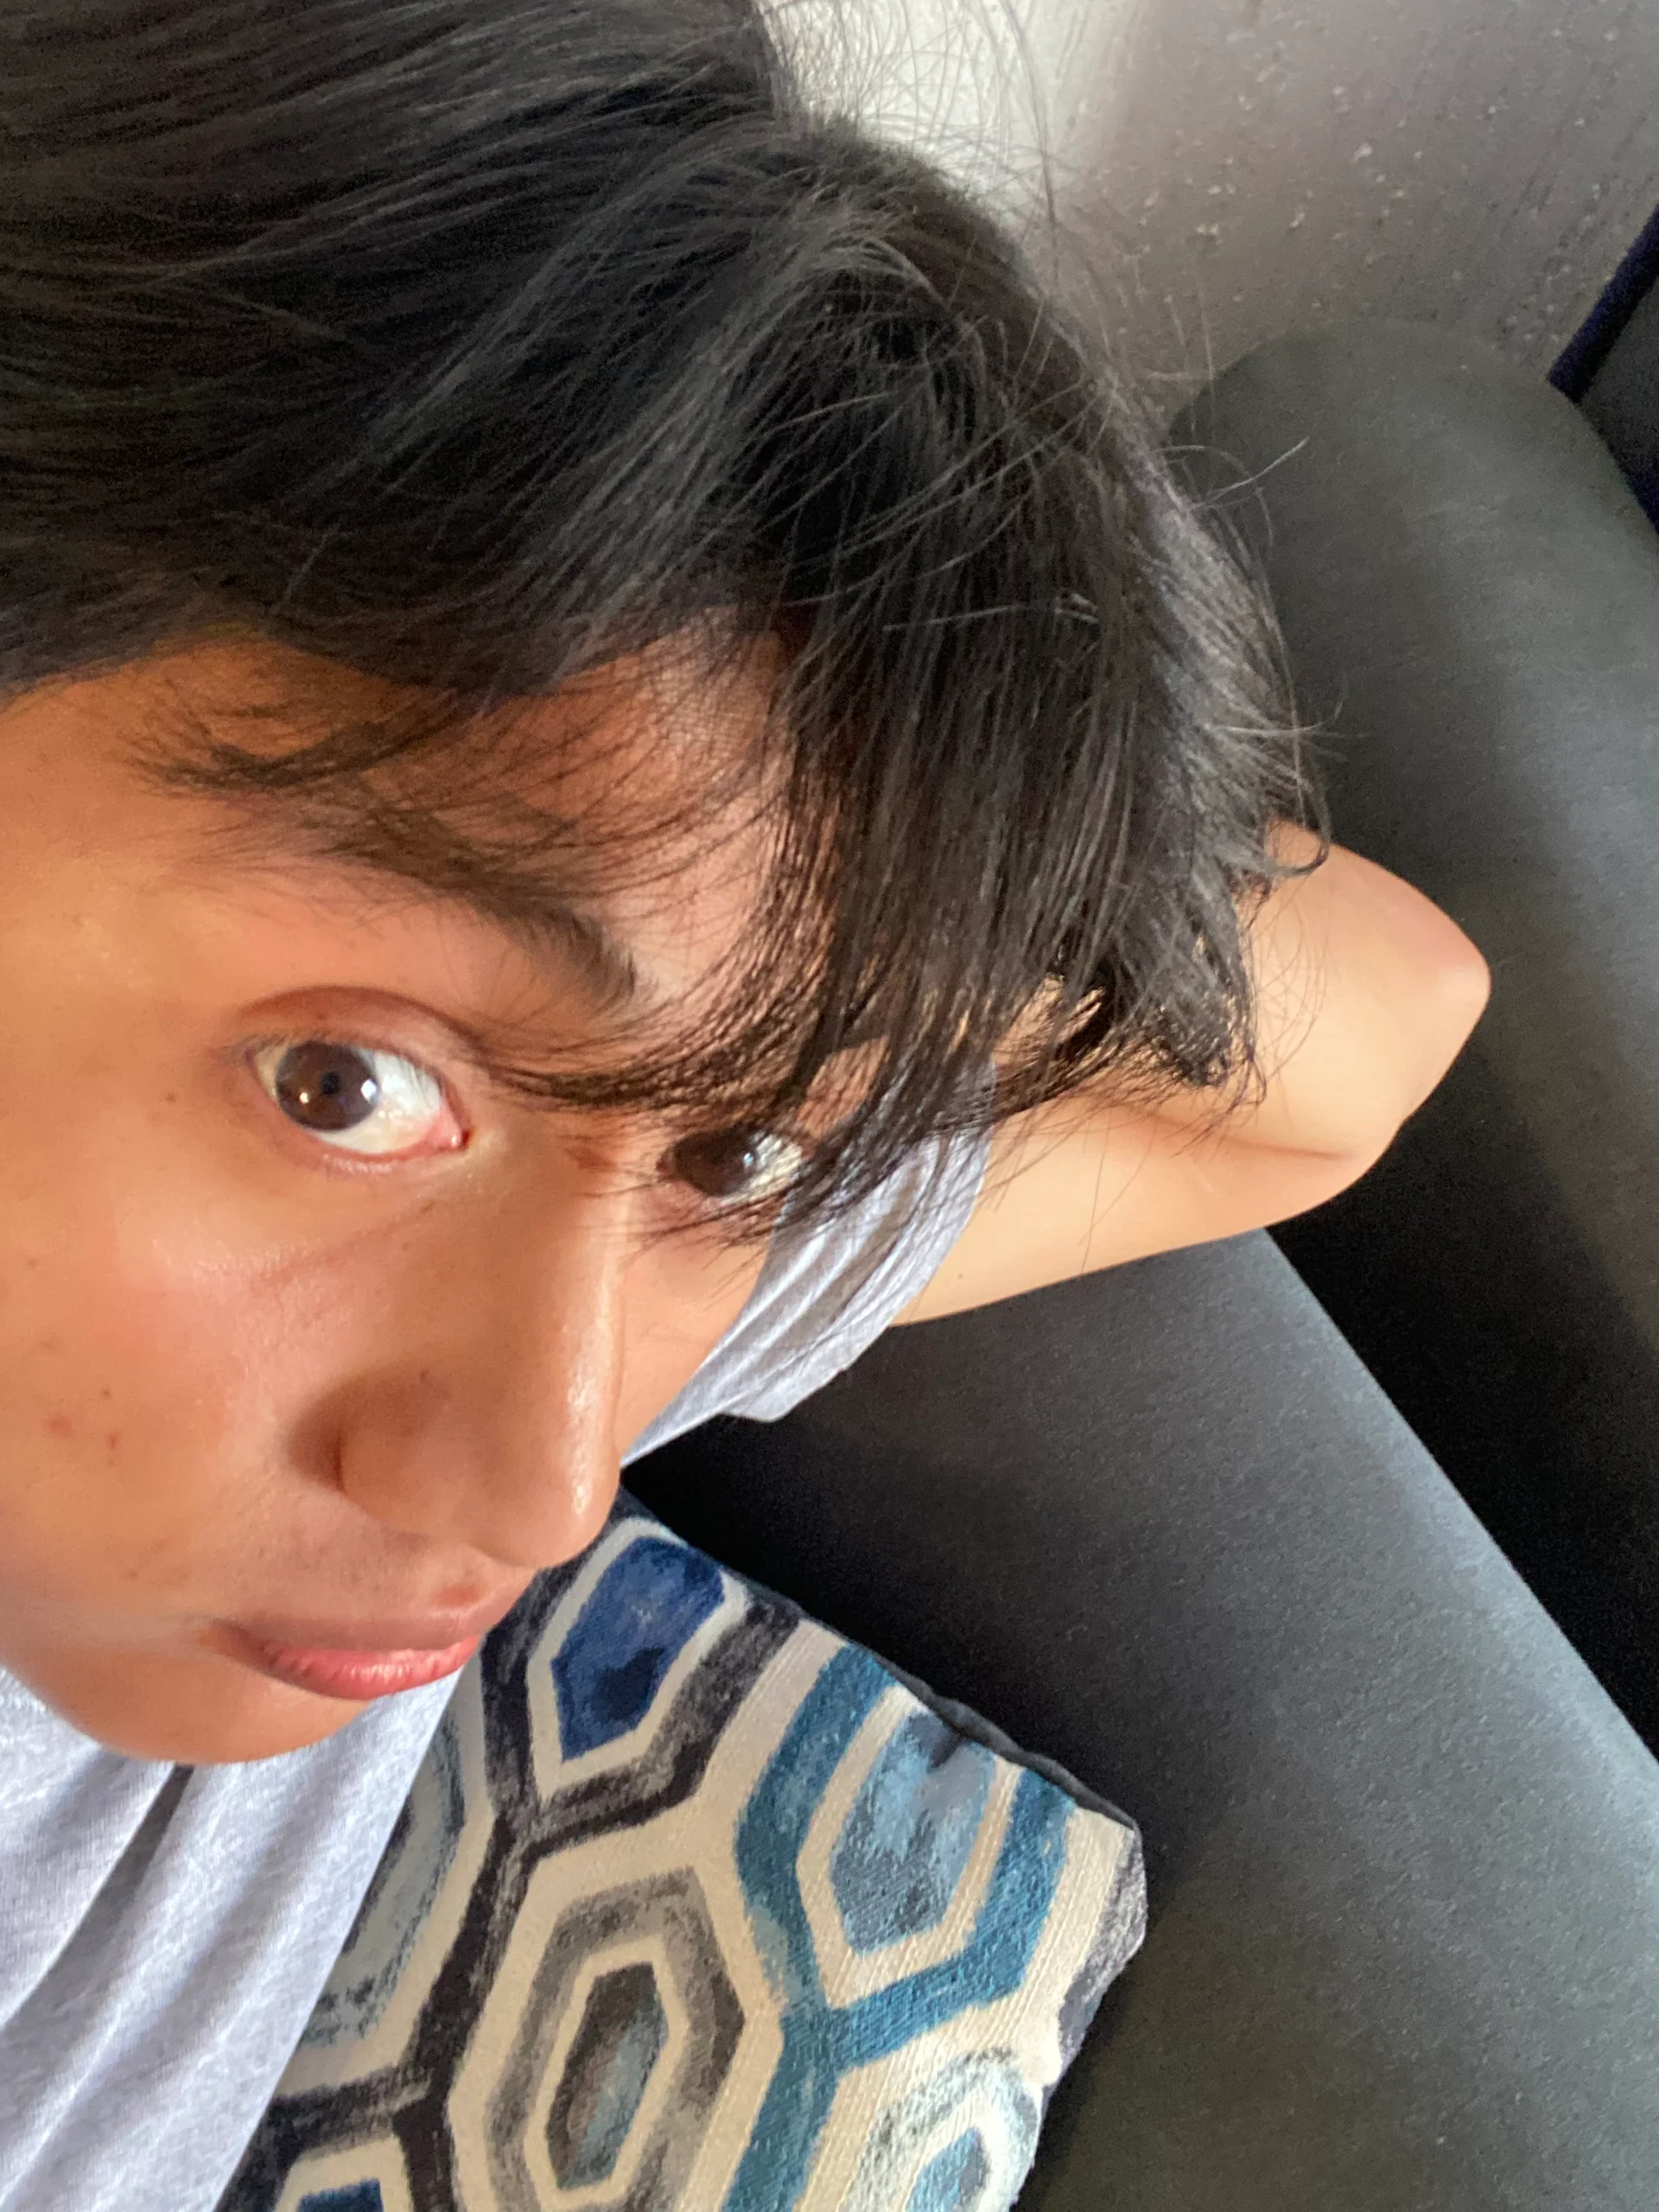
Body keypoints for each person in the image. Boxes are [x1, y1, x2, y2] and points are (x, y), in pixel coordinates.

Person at [0, 2, 1488, 2205]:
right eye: (344, 1081)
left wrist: (850, 892)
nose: (544, 1479)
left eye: (750, 1147)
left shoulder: (598, 1221)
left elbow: (1368, 1039)